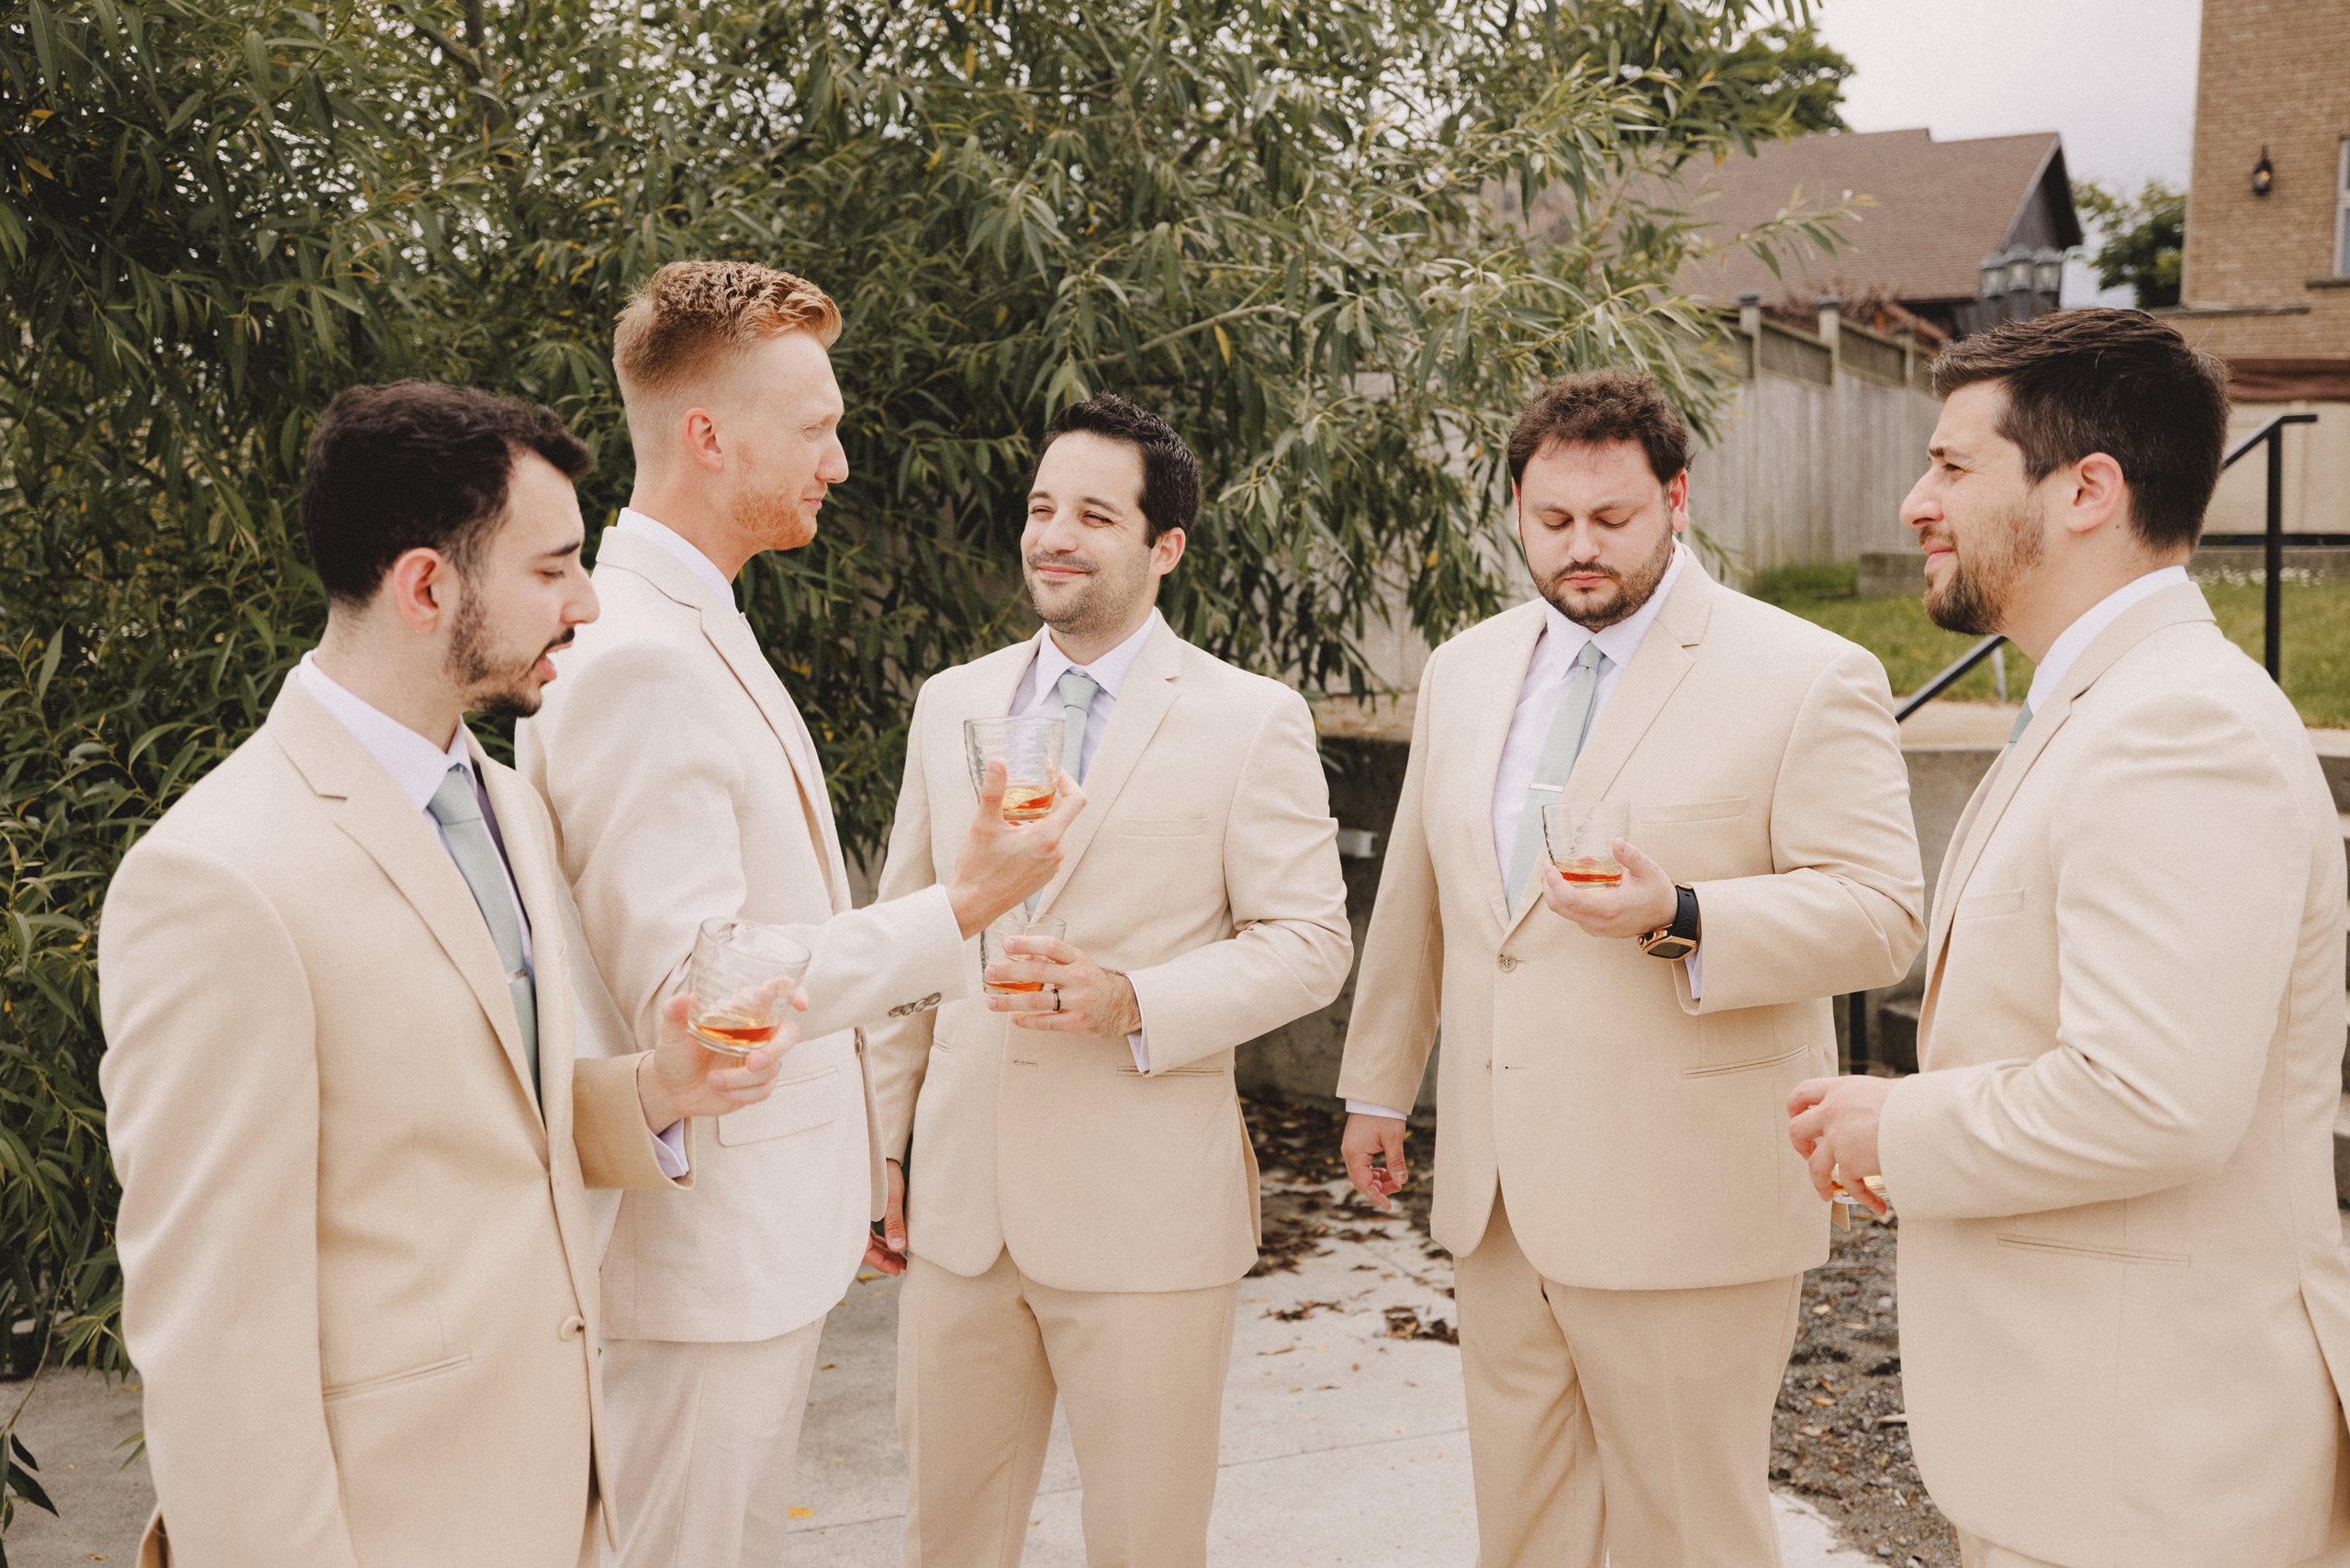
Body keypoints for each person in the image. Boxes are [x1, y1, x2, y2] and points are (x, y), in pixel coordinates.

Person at [97, 382, 789, 1568]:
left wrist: (656, 1090)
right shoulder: (216, 881)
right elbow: (216, 1343)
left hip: (559, 1508)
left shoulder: (504, 804)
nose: (587, 601)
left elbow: (484, 1127)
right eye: (555, 567)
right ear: (427, 587)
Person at [516, 261, 1080, 1568]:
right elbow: (701, 993)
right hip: (703, 1263)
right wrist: (968, 902)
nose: (839, 458)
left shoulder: (692, 620)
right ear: (710, 437)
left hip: (758, 1242)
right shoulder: (645, 656)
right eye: (818, 426)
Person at [1789, 309, 2350, 1568]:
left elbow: (2153, 1098)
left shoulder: (2177, 729)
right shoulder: (2104, 704)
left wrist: (1902, 1127)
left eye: (1952, 464)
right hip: (2088, 1453)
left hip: (2149, 1479)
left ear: (2086, 488)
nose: (1913, 502)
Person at [1336, 370, 1925, 1567]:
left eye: (1613, 519)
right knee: (1526, 1527)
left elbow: (1881, 916)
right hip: (1498, 1202)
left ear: (1678, 499)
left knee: (1690, 1534)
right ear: (1514, 509)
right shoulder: (1464, 668)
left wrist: (1687, 913)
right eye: (1552, 522)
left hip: (1685, 1205)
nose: (1581, 549)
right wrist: (1377, 1084)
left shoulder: (1808, 673)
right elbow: (1424, 897)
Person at [865, 393, 1352, 1568]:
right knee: (947, 1543)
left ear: (1164, 545)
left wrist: (1135, 1000)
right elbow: (903, 941)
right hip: (960, 1215)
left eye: (1092, 513)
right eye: (1040, 508)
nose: (1053, 536)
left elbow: (1310, 942)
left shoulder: (1251, 720)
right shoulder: (951, 704)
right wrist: (879, 1148)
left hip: (1148, 1222)